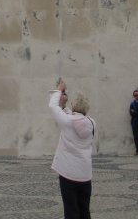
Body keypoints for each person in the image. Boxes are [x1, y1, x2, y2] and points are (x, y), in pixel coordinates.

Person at [49, 78, 95, 219]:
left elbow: (52, 107)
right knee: (84, 210)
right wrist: (64, 107)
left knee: (71, 211)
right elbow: (73, 118)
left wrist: (58, 90)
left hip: (69, 173)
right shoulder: (92, 123)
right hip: (85, 174)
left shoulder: (68, 122)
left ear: (74, 106)